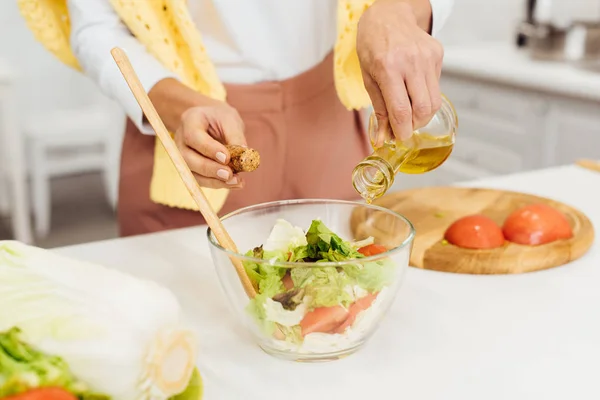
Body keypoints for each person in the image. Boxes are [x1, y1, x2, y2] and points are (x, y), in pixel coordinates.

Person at [19, 0, 454, 237]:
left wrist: (398, 10)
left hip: (332, 116)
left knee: (340, 312)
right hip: (193, 132)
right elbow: (96, 26)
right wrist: (179, 105)